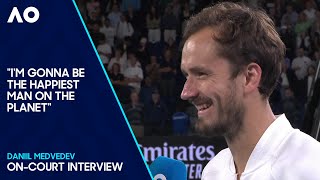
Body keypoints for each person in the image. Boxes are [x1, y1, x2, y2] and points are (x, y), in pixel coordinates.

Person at [180, 2, 320, 180]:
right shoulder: (213, 171)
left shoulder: (311, 167)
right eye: (186, 76)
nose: (186, 92)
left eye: (201, 74)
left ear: (249, 77)